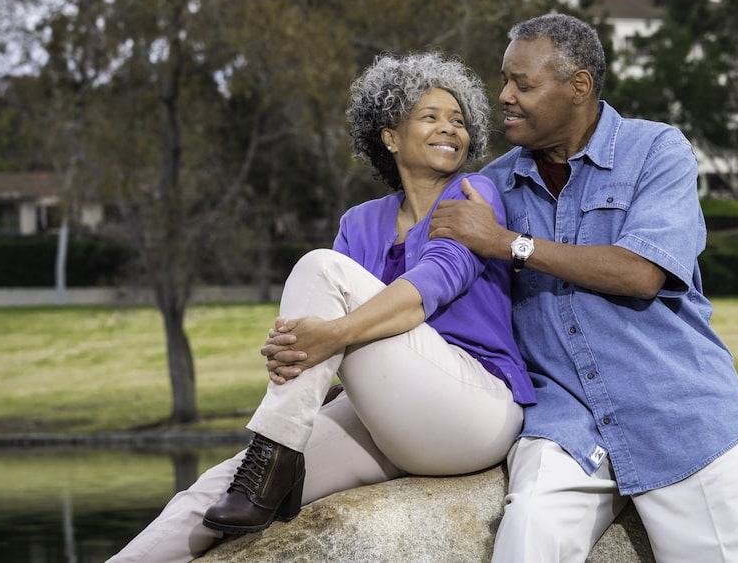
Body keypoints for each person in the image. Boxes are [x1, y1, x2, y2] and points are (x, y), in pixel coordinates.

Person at [107, 50, 535, 563]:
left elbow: (431, 287)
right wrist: (301, 348)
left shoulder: (472, 192)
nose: (450, 128)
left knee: (320, 268)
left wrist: (327, 338)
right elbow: (337, 333)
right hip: (391, 419)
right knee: (212, 491)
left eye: (458, 120)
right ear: (390, 136)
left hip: (475, 410)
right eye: (430, 116)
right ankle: (264, 463)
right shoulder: (360, 222)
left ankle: (273, 458)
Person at [423, 12, 738, 561]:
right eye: (505, 80)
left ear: (579, 86)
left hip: (674, 405)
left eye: (523, 83)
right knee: (527, 536)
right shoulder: (490, 186)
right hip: (562, 418)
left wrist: (508, 243)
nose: (504, 96)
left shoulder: (657, 151)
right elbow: (448, 296)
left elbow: (640, 273)